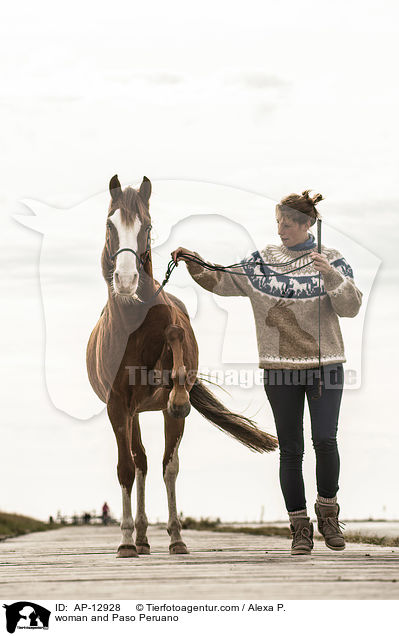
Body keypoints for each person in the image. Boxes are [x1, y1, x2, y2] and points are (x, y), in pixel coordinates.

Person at [171, 190, 363, 556]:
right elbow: (222, 281)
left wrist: (331, 276)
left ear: (308, 224)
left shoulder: (333, 259)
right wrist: (194, 262)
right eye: (278, 222)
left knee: (325, 440)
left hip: (327, 366)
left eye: (288, 223)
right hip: (279, 370)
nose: (281, 229)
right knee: (291, 450)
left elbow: (351, 306)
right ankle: (300, 528)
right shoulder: (262, 262)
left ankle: (328, 514)